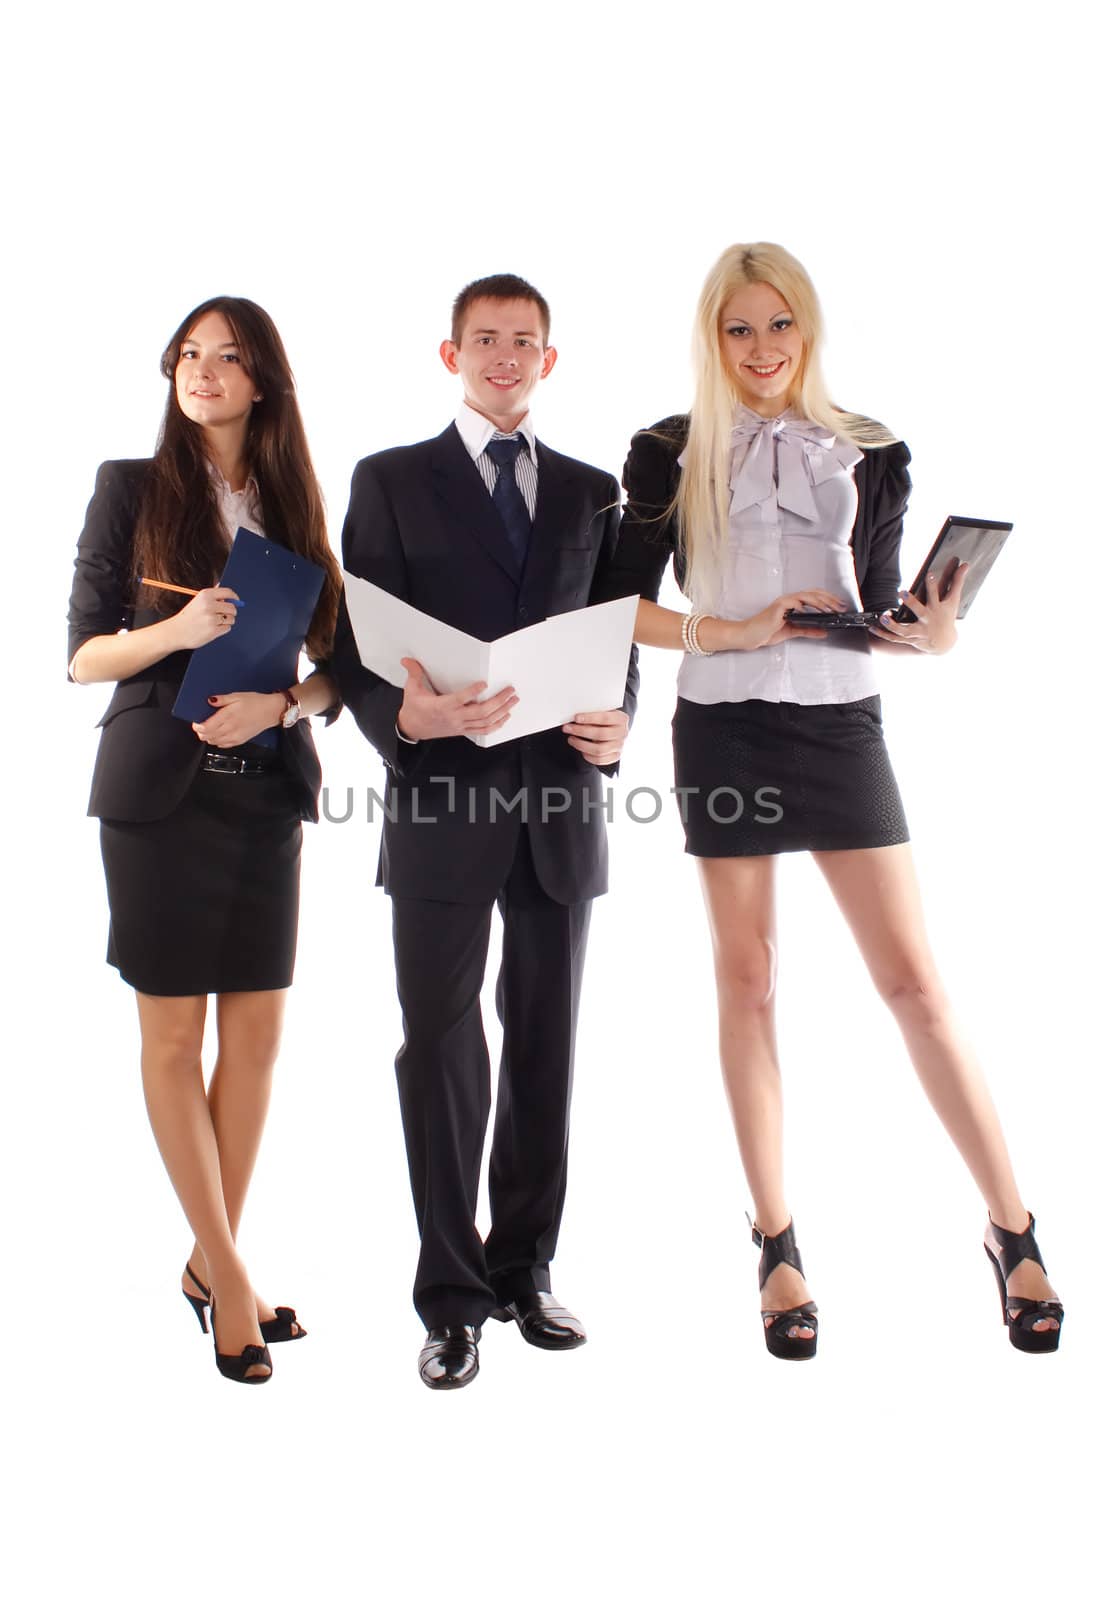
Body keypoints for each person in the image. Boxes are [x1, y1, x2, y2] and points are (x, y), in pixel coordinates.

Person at [602, 242, 1062, 1359]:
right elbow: (616, 606)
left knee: (911, 982)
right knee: (748, 981)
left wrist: (934, 632)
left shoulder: (869, 447)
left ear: (807, 330)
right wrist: (733, 628)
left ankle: (1010, 1224)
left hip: (839, 721)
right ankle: (776, 1242)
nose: (761, 349)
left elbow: (880, 609)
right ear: (711, 339)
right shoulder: (668, 451)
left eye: (779, 325)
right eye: (738, 329)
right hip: (722, 723)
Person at [333, 273, 637, 1389]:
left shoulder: (592, 492)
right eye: (485, 340)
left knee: (546, 1042)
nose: (504, 357)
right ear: (450, 353)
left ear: (548, 361)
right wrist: (401, 720)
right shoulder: (389, 480)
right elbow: (351, 645)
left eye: (524, 342)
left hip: (560, 801)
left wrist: (617, 725)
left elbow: (617, 643)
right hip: (436, 803)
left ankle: (523, 1272)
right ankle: (449, 1294)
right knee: (441, 1046)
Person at [67, 296, 342, 1385]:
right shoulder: (128, 489)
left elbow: (341, 671)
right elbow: (83, 655)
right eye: (190, 355)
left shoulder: (295, 505)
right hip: (160, 799)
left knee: (259, 1038)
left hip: (266, 791)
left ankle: (203, 1261)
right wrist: (175, 632)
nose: (204, 372)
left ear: (263, 380)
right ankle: (229, 1274)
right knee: (175, 1041)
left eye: (227, 358)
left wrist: (284, 708)